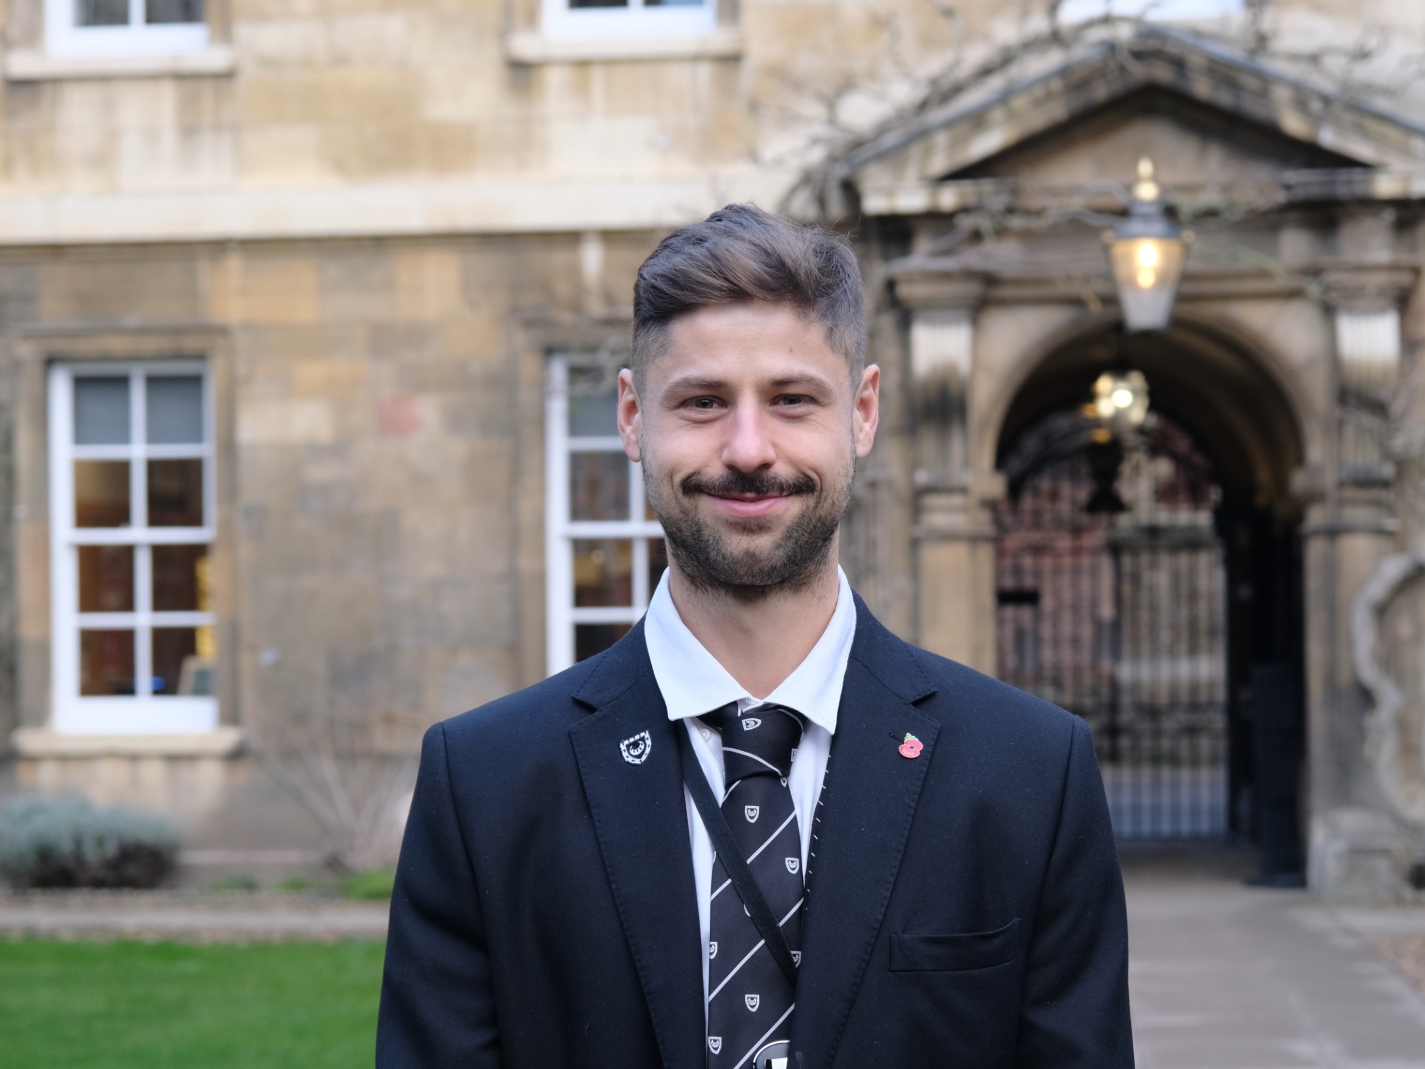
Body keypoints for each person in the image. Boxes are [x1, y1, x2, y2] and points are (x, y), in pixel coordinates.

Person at [377, 204, 1133, 1069]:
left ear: (863, 412)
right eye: (701, 401)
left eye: (791, 400)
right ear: (631, 418)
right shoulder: (484, 785)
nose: (747, 448)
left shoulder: (1031, 773)